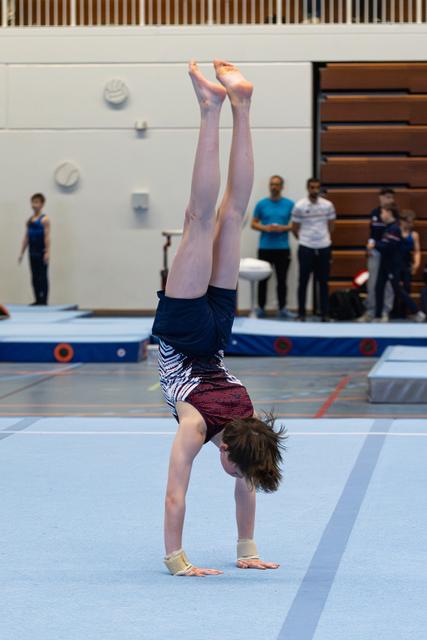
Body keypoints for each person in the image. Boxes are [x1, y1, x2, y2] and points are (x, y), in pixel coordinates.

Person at [152, 60, 286, 577]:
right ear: (229, 446)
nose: (238, 477)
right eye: (238, 467)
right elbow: (173, 496)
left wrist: (247, 550)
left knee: (232, 214)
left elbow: (247, 481)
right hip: (185, 333)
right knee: (200, 218)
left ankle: (243, 103)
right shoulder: (197, 423)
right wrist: (177, 560)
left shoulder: (248, 419)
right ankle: (212, 108)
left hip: (219, 331)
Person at [369, 205, 425, 322]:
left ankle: (416, 311)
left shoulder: (394, 229)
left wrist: (374, 245)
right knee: (379, 288)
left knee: (398, 289)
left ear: (389, 213)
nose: (380, 215)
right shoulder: (389, 227)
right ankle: (378, 315)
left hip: (393, 264)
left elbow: (388, 247)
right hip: (386, 262)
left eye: (383, 213)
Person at [291, 178, 336, 321]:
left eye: (317, 187)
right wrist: (306, 240)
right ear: (307, 188)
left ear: (320, 188)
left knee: (323, 282)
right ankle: (302, 313)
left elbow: (331, 225)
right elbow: (294, 228)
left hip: (324, 246)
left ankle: (325, 314)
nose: (314, 190)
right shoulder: (299, 205)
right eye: (312, 187)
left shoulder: (328, 205)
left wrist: (323, 239)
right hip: (306, 247)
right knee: (303, 281)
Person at [251, 175, 295, 318]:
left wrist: (284, 228)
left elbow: (295, 225)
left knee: (282, 280)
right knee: (262, 280)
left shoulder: (290, 204)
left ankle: (282, 308)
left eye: (277, 184)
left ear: (282, 187)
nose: (274, 187)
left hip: (282, 248)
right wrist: (266, 228)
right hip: (265, 248)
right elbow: (254, 223)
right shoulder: (261, 204)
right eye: (272, 184)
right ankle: (261, 308)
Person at [360, 187, 396, 322]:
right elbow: (372, 233)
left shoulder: (395, 213)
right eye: (387, 197)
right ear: (380, 197)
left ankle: (385, 311)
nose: (389, 200)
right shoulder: (374, 212)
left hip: (388, 253)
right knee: (372, 282)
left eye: (391, 197)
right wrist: (369, 247)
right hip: (374, 251)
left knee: (387, 284)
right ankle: (371, 310)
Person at [18, 193, 50, 305]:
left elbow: (47, 237)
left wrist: (47, 252)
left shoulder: (45, 219)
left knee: (43, 276)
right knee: (34, 276)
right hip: (32, 252)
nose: (34, 205)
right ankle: (37, 299)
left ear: (42, 204)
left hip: (41, 251)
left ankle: (44, 300)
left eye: (36, 202)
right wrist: (22, 252)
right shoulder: (29, 220)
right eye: (33, 202)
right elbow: (26, 237)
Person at [399, 210, 421, 307]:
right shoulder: (395, 231)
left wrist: (416, 264)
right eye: (409, 222)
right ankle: (394, 310)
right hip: (395, 263)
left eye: (412, 222)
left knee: (407, 287)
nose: (411, 224)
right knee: (395, 287)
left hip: (407, 263)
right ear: (402, 221)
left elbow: (417, 251)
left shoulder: (414, 235)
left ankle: (404, 311)